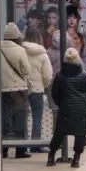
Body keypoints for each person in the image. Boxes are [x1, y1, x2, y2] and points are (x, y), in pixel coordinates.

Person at [47, 47, 86, 168]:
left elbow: (54, 93)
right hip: (81, 109)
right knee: (80, 134)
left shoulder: (60, 76)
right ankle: (76, 159)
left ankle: (51, 156)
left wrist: (60, 103)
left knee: (59, 133)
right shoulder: (84, 75)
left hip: (65, 109)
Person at [0, 23, 34, 159]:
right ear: (16, 37)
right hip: (19, 90)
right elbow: (26, 71)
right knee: (20, 119)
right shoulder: (20, 50)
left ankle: (3, 149)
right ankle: (20, 150)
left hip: (2, 89)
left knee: (5, 119)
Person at [22, 26, 53, 154]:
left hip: (22, 88)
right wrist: (44, 85)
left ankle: (22, 145)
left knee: (22, 117)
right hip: (37, 89)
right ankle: (36, 144)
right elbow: (47, 75)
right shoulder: (43, 55)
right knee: (37, 117)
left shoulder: (20, 51)